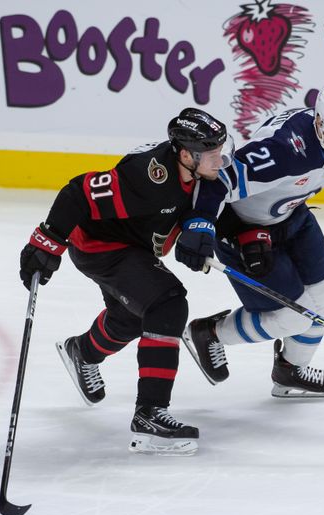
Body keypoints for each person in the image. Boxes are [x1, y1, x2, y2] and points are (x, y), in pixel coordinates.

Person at [18, 108, 234, 455]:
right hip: (101, 247)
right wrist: (47, 241)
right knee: (167, 303)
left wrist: (199, 226)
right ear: (184, 154)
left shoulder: (195, 172)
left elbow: (206, 197)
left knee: (133, 317)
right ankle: (150, 413)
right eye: (211, 152)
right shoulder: (148, 178)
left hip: (132, 246)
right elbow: (78, 194)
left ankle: (82, 352)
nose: (219, 158)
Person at [178, 82, 324, 398]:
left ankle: (290, 370)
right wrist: (200, 223)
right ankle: (210, 333)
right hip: (243, 229)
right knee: (290, 318)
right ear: (319, 122)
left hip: (291, 216)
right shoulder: (284, 151)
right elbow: (220, 179)